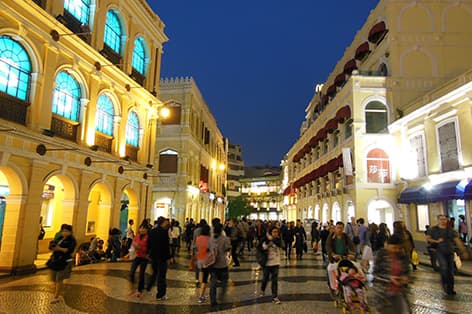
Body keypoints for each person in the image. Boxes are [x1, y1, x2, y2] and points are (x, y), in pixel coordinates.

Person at [426, 214, 469, 295]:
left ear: (447, 220)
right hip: (440, 251)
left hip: (450, 252)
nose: (443, 221)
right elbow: (428, 238)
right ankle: (445, 285)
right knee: (444, 268)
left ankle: (450, 288)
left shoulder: (451, 230)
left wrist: (463, 251)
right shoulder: (433, 230)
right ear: (438, 220)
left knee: (450, 270)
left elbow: (457, 240)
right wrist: (436, 241)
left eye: (444, 219)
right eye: (441, 219)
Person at [370, 234, 410, 314]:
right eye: (394, 248)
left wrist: (404, 278)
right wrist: (389, 278)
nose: (396, 250)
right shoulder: (381, 255)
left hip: (399, 291)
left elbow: (406, 271)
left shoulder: (403, 256)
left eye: (399, 248)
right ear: (387, 245)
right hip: (382, 292)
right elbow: (376, 274)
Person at [48, 224, 77, 304]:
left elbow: (69, 250)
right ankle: (57, 291)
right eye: (63, 231)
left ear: (70, 232)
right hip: (56, 260)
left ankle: (56, 296)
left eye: (66, 231)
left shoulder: (72, 240)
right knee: (54, 278)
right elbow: (54, 244)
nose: (64, 232)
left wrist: (59, 248)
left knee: (59, 279)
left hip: (64, 261)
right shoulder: (60, 238)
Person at [147, 217, 171, 300]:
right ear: (162, 223)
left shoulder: (152, 231)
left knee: (154, 273)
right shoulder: (164, 232)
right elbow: (166, 246)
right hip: (162, 257)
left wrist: (149, 253)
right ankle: (161, 294)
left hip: (153, 256)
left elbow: (149, 243)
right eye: (165, 222)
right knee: (162, 276)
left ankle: (149, 286)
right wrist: (169, 257)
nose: (166, 223)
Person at [326, 221, 355, 290]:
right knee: (330, 269)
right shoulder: (331, 236)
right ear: (335, 228)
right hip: (335, 259)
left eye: (341, 228)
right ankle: (333, 286)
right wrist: (333, 254)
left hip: (345, 258)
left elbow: (351, 245)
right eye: (338, 228)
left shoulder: (345, 236)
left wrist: (352, 253)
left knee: (356, 267)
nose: (339, 230)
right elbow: (328, 246)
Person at [259, 226, 284, 304]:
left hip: (276, 263)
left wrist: (273, 240)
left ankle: (274, 297)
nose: (276, 233)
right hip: (267, 263)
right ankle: (262, 289)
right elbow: (262, 248)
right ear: (270, 232)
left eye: (277, 232)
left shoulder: (278, 240)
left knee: (274, 280)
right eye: (274, 232)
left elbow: (282, 246)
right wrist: (268, 245)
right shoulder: (265, 239)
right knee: (265, 279)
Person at [208, 222, 231, 306]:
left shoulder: (210, 238)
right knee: (224, 281)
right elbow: (227, 249)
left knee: (213, 283)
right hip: (222, 263)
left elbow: (208, 249)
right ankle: (221, 296)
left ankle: (212, 300)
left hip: (213, 264)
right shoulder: (225, 239)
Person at [129, 225, 149, 297]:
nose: (142, 229)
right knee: (131, 272)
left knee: (141, 273)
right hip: (137, 256)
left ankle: (140, 290)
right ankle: (133, 288)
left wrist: (140, 248)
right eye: (141, 228)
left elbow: (149, 248)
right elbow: (133, 245)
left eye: (144, 228)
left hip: (144, 257)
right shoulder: (137, 236)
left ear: (147, 230)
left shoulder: (148, 238)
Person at [195, 224, 211, 303]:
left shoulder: (198, 238)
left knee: (201, 276)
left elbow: (197, 248)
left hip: (199, 259)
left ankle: (201, 293)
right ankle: (201, 296)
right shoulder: (209, 239)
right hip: (206, 260)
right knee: (205, 279)